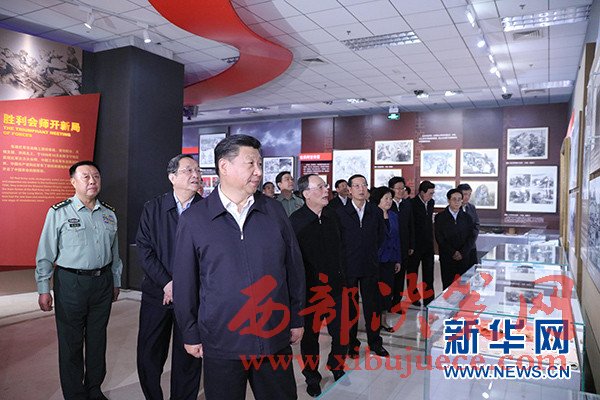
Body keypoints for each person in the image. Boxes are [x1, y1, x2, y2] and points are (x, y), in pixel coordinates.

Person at [172, 134, 305, 400]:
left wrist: (297, 317)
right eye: (251, 163)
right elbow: (185, 282)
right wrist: (190, 331)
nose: (259, 172)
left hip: (273, 335)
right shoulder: (195, 219)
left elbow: (294, 267)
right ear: (224, 166)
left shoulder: (274, 211)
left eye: (260, 164)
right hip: (222, 339)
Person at [35, 160, 122, 400]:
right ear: (73, 182)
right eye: (86, 177)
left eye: (96, 176)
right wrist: (43, 288)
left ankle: (94, 389)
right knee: (71, 342)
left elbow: (115, 254)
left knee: (97, 340)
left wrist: (116, 281)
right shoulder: (59, 212)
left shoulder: (109, 214)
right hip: (71, 283)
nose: (92, 181)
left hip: (102, 282)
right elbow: (45, 253)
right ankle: (74, 394)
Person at [135, 154, 203, 400]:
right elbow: (145, 250)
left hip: (193, 296)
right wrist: (167, 283)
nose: (195, 175)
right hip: (157, 293)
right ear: (172, 177)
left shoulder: (206, 210)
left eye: (197, 170)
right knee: (150, 352)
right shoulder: (153, 208)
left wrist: (182, 286)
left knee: (189, 353)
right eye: (188, 170)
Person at [290, 174, 347, 397]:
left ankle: (336, 365)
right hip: (310, 292)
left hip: (336, 288)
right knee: (310, 338)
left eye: (326, 186)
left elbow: (341, 250)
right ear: (306, 193)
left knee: (341, 332)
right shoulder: (296, 222)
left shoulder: (333, 217)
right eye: (320, 187)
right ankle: (312, 376)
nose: (326, 190)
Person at [335, 174, 389, 359]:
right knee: (350, 308)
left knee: (372, 307)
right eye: (356, 186)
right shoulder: (340, 213)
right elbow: (337, 240)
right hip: (348, 267)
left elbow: (381, 236)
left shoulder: (375, 211)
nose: (361, 189)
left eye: (364, 185)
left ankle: (375, 343)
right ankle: (352, 344)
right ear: (349, 190)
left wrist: (370, 253)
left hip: (369, 266)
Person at [370, 187, 401, 331]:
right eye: (386, 198)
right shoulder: (371, 215)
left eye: (390, 198)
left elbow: (397, 239)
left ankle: (383, 321)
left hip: (390, 259)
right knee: (374, 292)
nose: (389, 201)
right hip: (375, 260)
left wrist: (398, 259)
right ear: (378, 200)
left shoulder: (393, 215)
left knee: (387, 291)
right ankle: (373, 322)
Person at [434, 189, 477, 289]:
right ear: (448, 200)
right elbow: (439, 238)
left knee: (463, 286)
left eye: (459, 199)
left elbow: (471, 237)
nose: (457, 202)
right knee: (448, 286)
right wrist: (453, 252)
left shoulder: (467, 217)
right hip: (447, 257)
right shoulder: (440, 217)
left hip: (464, 257)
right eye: (454, 199)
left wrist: (462, 252)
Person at [387, 177, 414, 310]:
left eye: (402, 188)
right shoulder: (387, 204)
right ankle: (387, 303)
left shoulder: (406, 204)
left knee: (400, 275)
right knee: (389, 276)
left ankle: (397, 303)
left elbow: (411, 225)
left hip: (403, 246)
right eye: (398, 188)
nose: (401, 191)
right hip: (390, 246)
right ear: (391, 189)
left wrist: (411, 244)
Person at [408, 180, 436, 306]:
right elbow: (410, 226)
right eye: (430, 193)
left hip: (428, 244)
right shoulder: (411, 204)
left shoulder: (431, 202)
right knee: (412, 272)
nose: (432, 196)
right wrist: (411, 244)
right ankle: (414, 297)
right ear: (422, 192)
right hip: (415, 245)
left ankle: (429, 299)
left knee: (429, 272)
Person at [456, 183, 481, 266]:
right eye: (465, 194)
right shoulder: (453, 208)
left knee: (472, 270)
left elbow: (476, 226)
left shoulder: (471, 207)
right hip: (458, 249)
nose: (467, 197)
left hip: (471, 247)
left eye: (469, 194)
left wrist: (469, 244)